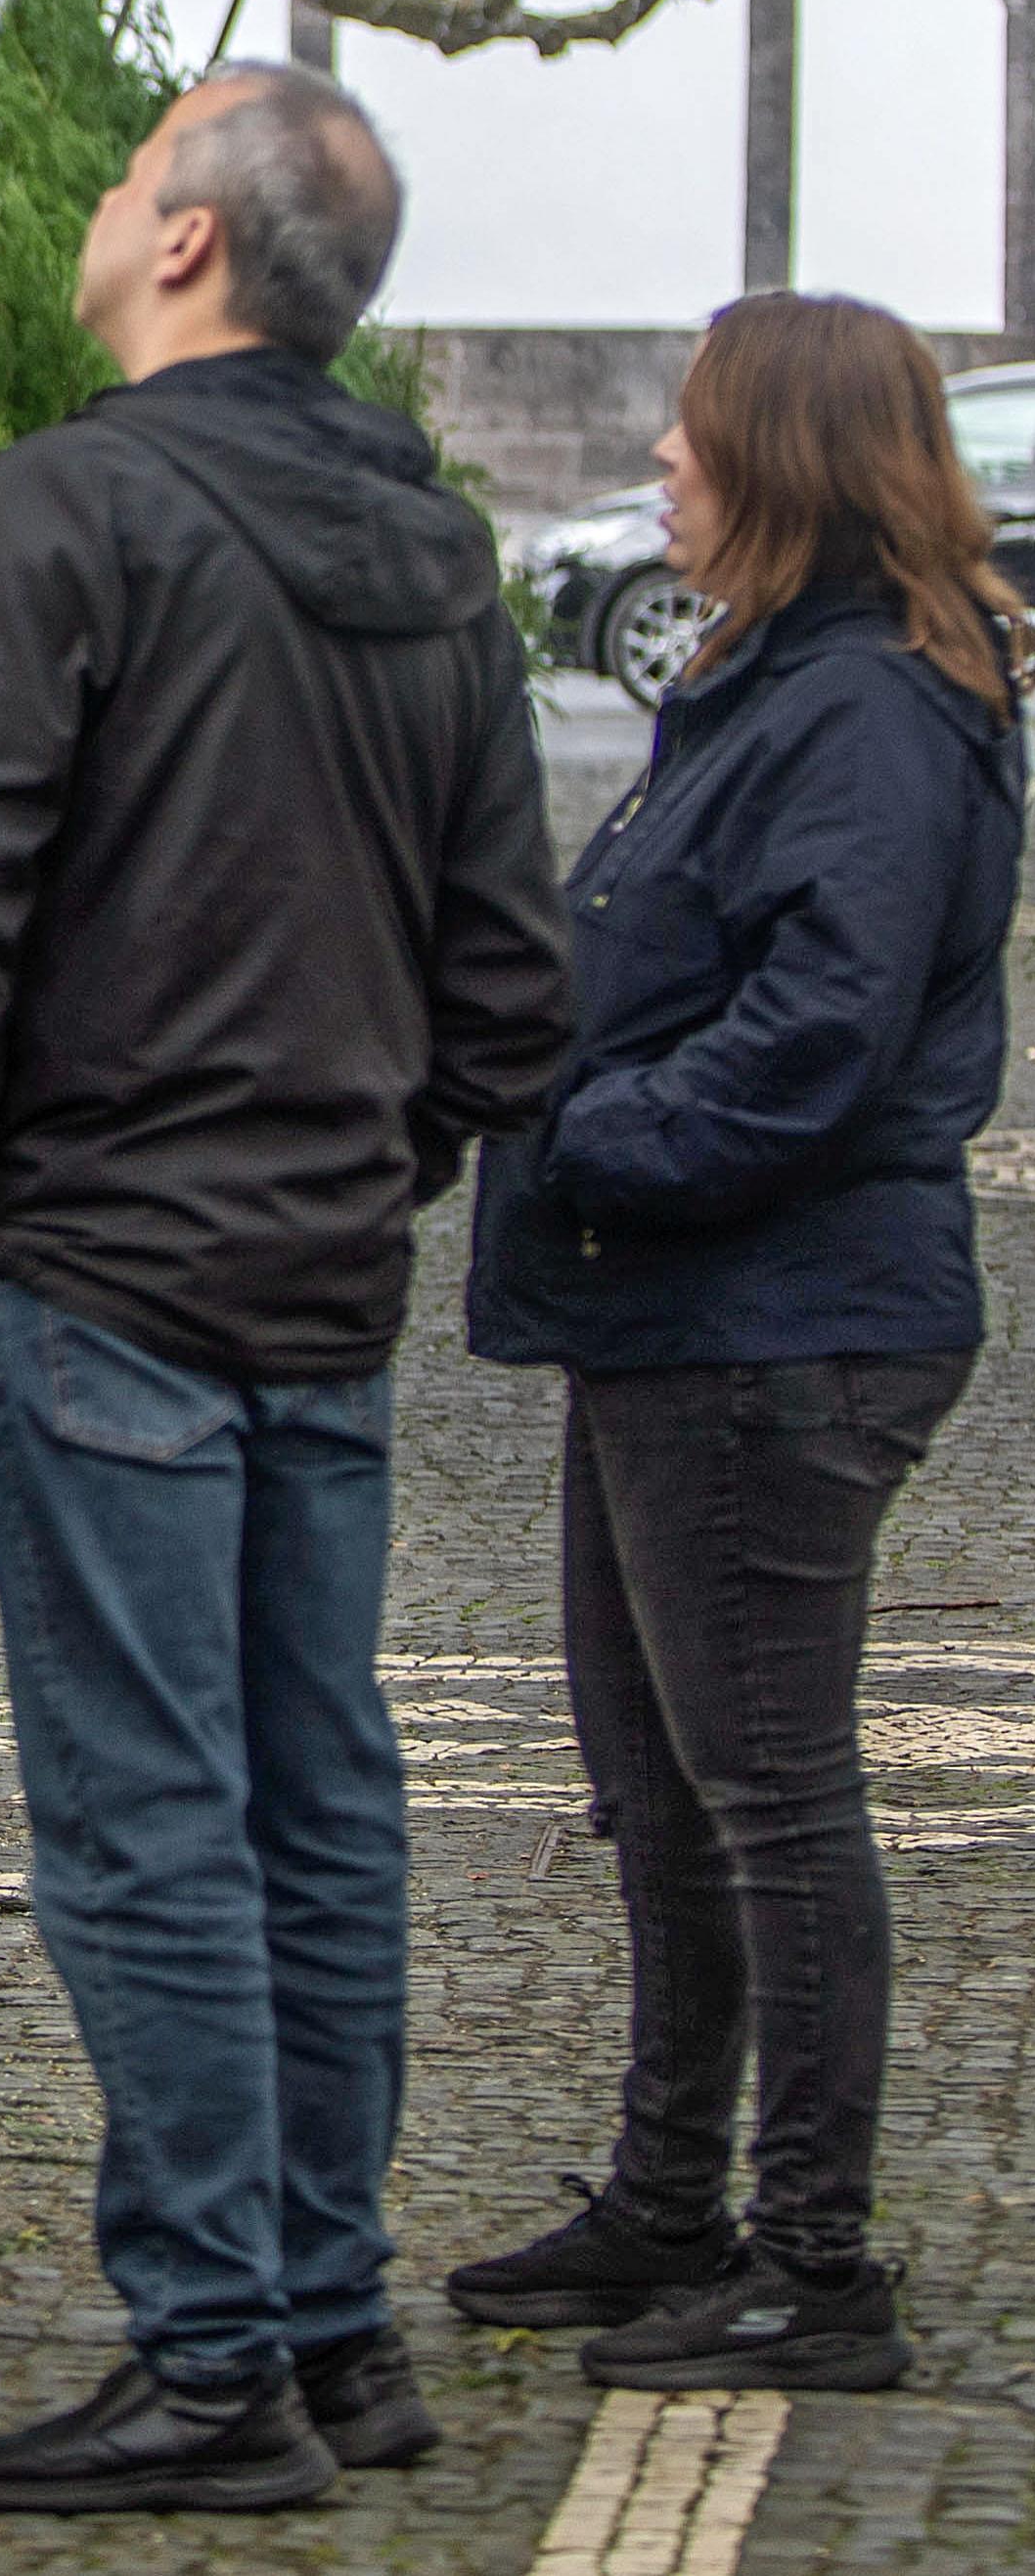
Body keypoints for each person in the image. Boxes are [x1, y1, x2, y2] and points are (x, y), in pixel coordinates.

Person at [0, 65, 570, 2515]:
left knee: (149, 1813)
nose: (96, 191)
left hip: (96, 1260)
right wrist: (378, 1161)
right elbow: (509, 981)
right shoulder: (433, 546)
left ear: (182, 241)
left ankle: (210, 2357)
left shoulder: (73, 505)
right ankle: (328, 2320)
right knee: (313, 1797)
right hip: (311, 1268)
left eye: (122, 159)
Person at [445, 293, 1013, 2396]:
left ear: (781, 460)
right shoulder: (769, 676)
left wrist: (585, 1133)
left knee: (767, 1796)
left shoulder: (864, 705)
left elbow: (810, 1033)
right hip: (676, 1314)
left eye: (691, 434)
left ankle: (814, 2261)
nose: (660, 464)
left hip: (774, 1325)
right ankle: (667, 2201)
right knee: (660, 1794)